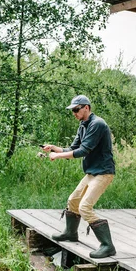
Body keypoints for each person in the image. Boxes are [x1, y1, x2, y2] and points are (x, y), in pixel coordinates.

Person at [41, 95, 116, 258]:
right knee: (73, 201)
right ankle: (70, 233)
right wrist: (54, 148)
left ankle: (108, 245)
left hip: (103, 172)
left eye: (76, 109)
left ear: (86, 108)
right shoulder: (83, 125)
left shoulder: (97, 124)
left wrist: (57, 156)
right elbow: (73, 147)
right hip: (92, 172)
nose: (74, 113)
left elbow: (83, 151)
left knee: (84, 207)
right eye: (72, 110)